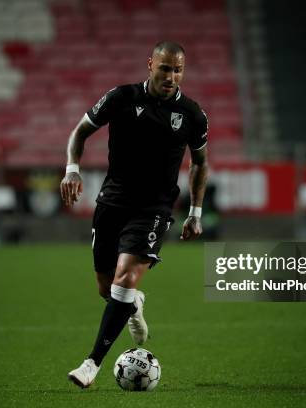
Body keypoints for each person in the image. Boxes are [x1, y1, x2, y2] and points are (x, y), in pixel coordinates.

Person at [60, 41, 209, 388]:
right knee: (107, 287)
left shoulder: (192, 114)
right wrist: (71, 169)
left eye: (178, 69)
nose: (171, 76)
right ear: (150, 65)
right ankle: (134, 304)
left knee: (124, 280)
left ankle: (91, 364)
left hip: (154, 209)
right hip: (112, 202)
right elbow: (80, 132)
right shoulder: (121, 97)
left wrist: (195, 211)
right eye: (165, 68)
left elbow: (200, 164)